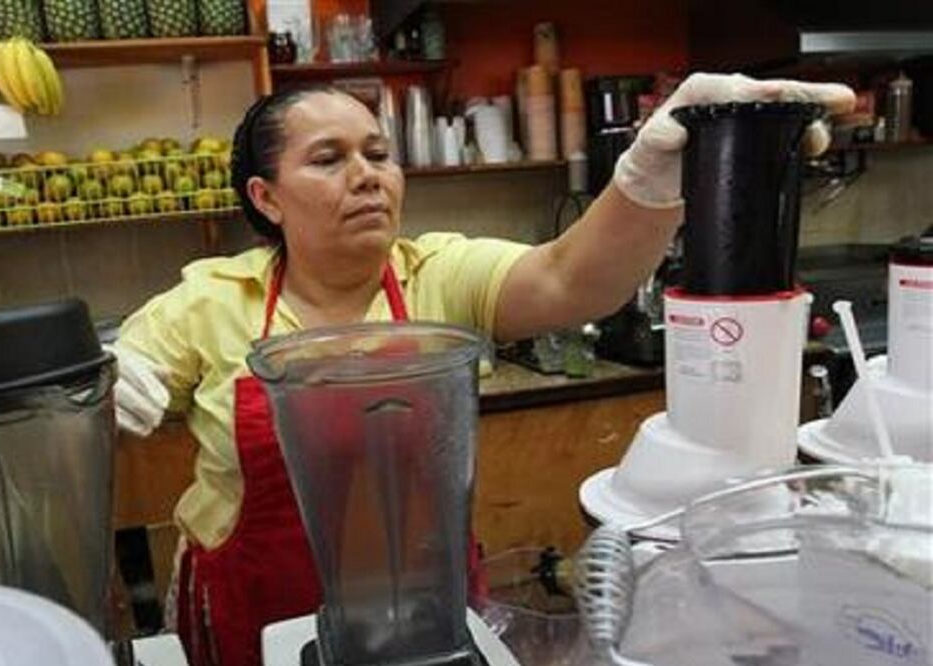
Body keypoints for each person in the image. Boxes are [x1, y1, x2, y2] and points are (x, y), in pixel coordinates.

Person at [112, 73, 855, 666]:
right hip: (258, 601)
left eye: (378, 153)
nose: (368, 176)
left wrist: (651, 178)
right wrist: (109, 382)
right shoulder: (210, 301)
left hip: (423, 597)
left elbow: (571, 278)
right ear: (266, 198)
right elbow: (125, 366)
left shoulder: (438, 276)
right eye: (329, 159)